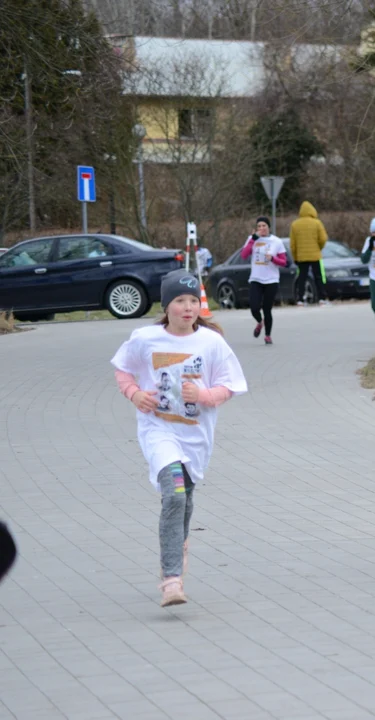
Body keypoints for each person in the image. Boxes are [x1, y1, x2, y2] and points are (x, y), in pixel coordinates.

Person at [111, 270, 248, 607]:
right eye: (180, 301)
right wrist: (134, 394)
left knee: (184, 498)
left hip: (196, 436)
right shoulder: (145, 338)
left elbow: (230, 386)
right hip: (159, 431)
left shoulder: (212, 343)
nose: (188, 308)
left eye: (193, 301)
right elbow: (122, 367)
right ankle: (172, 580)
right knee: (173, 496)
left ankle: (179, 542)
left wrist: (204, 395)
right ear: (166, 306)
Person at [241, 216, 288, 345]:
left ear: (269, 227)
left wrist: (273, 259)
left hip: (271, 280)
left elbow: (284, 262)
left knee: (267, 309)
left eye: (264, 226)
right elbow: (244, 255)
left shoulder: (276, 241)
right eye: (259, 226)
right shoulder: (252, 239)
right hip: (256, 278)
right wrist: (253, 240)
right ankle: (259, 322)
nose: (261, 229)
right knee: (254, 307)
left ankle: (267, 335)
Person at [290, 201, 329, 306]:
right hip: (315, 255)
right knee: (318, 277)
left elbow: (293, 245)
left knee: (302, 277)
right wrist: (318, 248)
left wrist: (295, 257)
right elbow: (323, 239)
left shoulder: (295, 225)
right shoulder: (317, 223)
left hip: (301, 257)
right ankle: (322, 298)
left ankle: (300, 299)